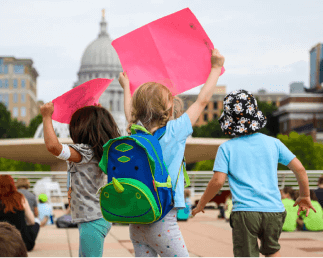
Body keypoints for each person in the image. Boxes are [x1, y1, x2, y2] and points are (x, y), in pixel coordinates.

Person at [119, 48, 224, 258]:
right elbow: (202, 101)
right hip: (163, 219)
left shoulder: (135, 133)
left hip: (137, 220)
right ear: (167, 108)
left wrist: (125, 87)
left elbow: (129, 113)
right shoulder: (175, 131)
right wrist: (216, 67)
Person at [191, 89, 316, 258]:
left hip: (245, 212)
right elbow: (300, 169)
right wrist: (305, 195)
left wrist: (202, 204)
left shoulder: (226, 148)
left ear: (229, 121)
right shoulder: (274, 143)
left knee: (246, 255)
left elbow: (218, 181)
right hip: (274, 210)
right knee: (272, 251)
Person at [40, 102, 121, 257]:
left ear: (82, 128)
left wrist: (46, 117)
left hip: (92, 220)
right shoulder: (97, 152)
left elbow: (53, 147)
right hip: (94, 218)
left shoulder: (85, 152)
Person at [0, 175, 40, 251]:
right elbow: (31, 221)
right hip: (22, 245)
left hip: (2, 245)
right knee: (36, 224)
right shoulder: (20, 198)